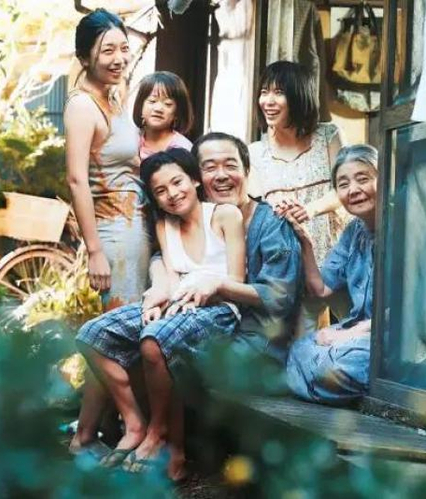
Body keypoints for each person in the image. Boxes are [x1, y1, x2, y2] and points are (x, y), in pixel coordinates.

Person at [72, 132, 302, 481]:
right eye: (210, 167)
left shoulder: (265, 221)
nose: (220, 175)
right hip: (186, 309)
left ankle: (162, 440)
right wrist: (160, 287)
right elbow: (166, 260)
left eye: (230, 165)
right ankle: (123, 428)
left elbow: (277, 297)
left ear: (246, 169)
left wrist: (217, 286)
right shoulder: (176, 218)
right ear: (200, 175)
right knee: (101, 334)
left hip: (252, 337)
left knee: (157, 344)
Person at [76, 148, 245, 477]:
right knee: (91, 335)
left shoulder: (225, 215)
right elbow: (170, 275)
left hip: (219, 308)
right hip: (177, 305)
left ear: (195, 180)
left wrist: (205, 290)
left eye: (178, 182)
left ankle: (158, 431)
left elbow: (236, 280)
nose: (172, 194)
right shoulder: (164, 224)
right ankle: (135, 423)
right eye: (161, 190)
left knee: (154, 340)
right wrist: (158, 298)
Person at [64, 8, 151, 309]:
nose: (119, 58)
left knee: (144, 321)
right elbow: (76, 180)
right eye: (108, 51)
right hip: (115, 233)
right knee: (124, 323)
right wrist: (95, 251)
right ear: (85, 58)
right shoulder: (83, 107)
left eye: (124, 48)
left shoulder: (112, 97)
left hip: (136, 225)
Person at [285, 145, 377, 405]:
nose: (353, 190)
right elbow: (321, 289)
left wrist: (346, 335)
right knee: (297, 350)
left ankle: (321, 384)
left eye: (363, 179)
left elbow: (404, 317)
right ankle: (333, 387)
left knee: (333, 366)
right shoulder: (353, 232)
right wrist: (306, 243)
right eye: (343, 184)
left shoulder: (405, 226)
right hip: (356, 334)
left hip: (389, 340)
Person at [249, 60, 346, 265]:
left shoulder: (328, 136)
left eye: (279, 92)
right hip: (283, 257)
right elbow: (255, 209)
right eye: (264, 92)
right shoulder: (255, 152)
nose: (268, 101)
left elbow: (343, 189)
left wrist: (310, 209)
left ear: (299, 96)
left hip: (333, 252)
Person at [133, 71, 193, 160]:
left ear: (177, 112)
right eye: (152, 101)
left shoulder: (182, 148)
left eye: (167, 104)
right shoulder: (131, 139)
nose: (158, 109)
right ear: (140, 106)